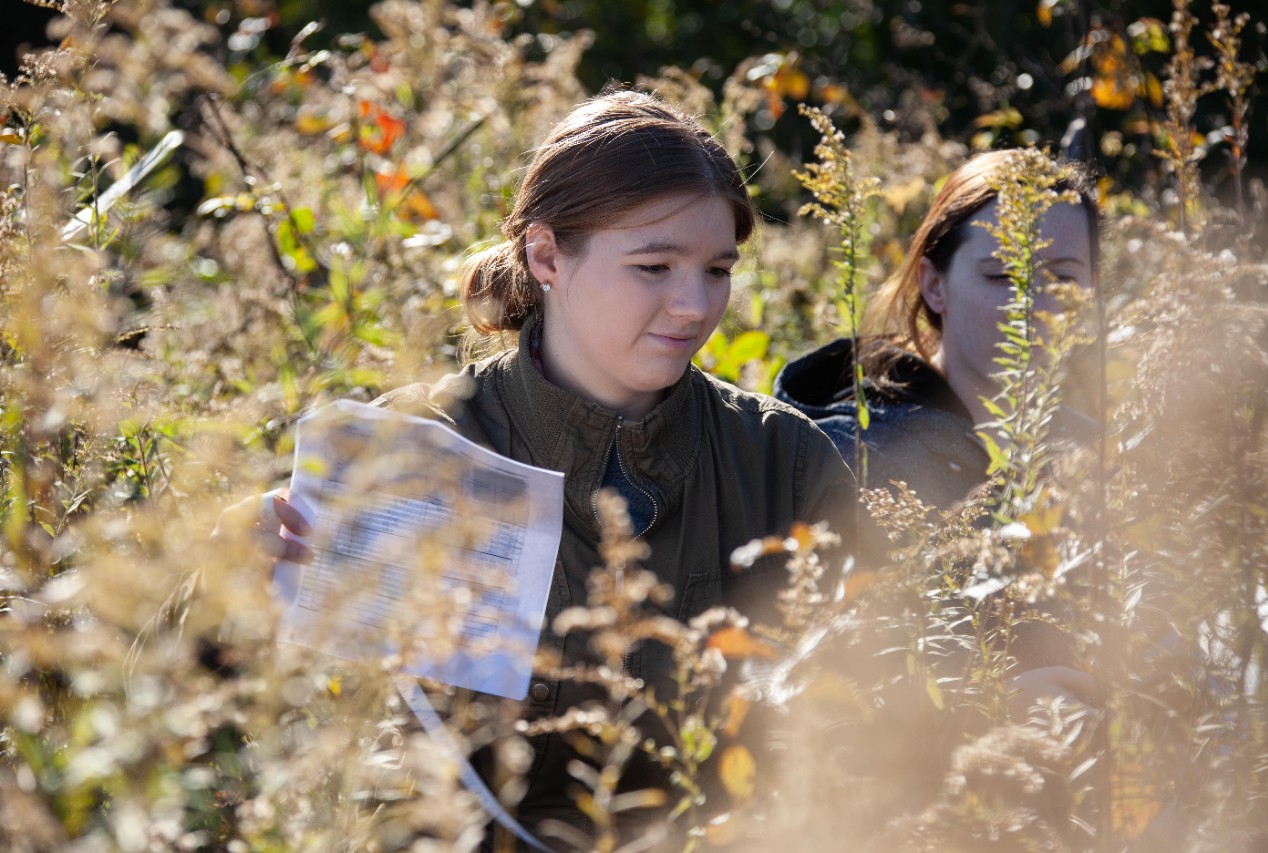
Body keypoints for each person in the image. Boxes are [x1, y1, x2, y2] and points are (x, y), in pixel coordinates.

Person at [238, 89, 860, 849]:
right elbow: (245, 707)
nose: (694, 305)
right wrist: (233, 570)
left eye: (717, 269)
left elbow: (876, 696)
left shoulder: (781, 460)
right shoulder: (421, 442)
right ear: (545, 255)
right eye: (654, 265)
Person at [773, 149, 1102, 719]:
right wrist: (989, 707)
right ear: (934, 285)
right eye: (1001, 274)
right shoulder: (856, 456)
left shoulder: (1097, 453)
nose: (1031, 304)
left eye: (1062, 277)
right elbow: (819, 679)